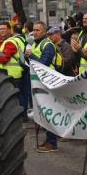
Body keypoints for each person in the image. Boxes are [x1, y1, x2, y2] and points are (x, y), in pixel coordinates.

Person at [26, 23, 62, 152]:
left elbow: (44, 64)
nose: (34, 32)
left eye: (37, 30)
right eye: (33, 30)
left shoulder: (48, 45)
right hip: (39, 83)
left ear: (44, 32)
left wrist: (31, 56)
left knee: (48, 113)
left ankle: (52, 143)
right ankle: (49, 140)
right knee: (43, 113)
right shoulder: (36, 44)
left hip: (48, 83)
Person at [0, 22, 27, 112]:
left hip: (12, 75)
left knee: (15, 97)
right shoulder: (13, 40)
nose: (2, 31)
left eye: (4, 29)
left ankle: (21, 115)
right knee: (20, 95)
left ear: (9, 29)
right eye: (0, 29)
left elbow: (3, 59)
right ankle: (22, 114)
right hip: (14, 74)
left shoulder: (10, 42)